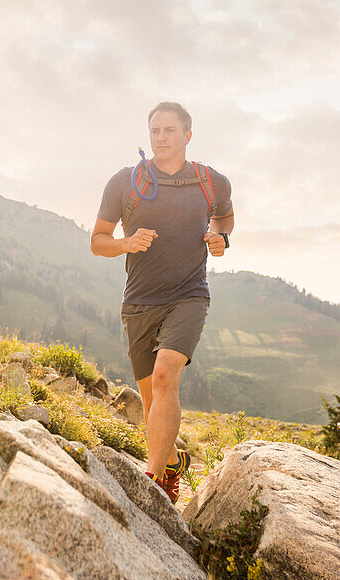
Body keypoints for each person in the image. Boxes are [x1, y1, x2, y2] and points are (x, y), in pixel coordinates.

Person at [90, 101, 233, 502]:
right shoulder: (126, 182)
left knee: (166, 375)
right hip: (139, 302)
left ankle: (153, 482)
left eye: (170, 130)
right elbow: (97, 241)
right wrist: (125, 243)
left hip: (189, 295)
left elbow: (225, 218)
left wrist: (222, 239)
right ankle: (172, 462)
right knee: (153, 401)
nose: (162, 138)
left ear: (187, 135)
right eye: (155, 131)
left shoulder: (210, 181)